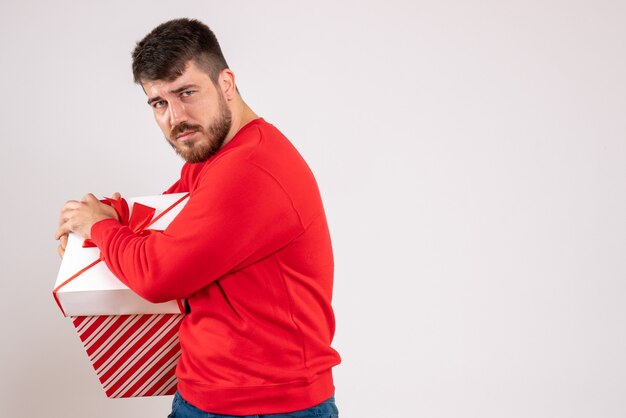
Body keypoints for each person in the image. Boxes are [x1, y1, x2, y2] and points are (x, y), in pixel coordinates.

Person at [55, 18, 341, 418]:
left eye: (186, 93)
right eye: (159, 103)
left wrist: (98, 228)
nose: (175, 118)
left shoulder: (249, 167)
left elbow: (158, 274)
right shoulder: (217, 158)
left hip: (264, 407)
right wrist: (105, 215)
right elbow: (166, 215)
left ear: (226, 83)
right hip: (206, 394)